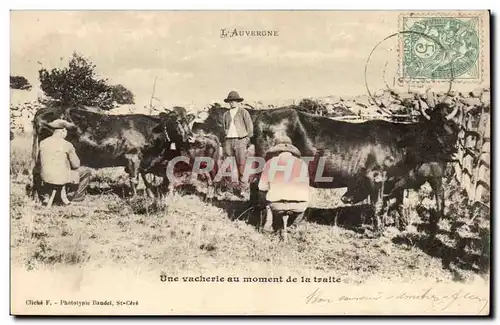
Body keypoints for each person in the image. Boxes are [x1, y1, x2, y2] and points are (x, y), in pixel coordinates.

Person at [257, 134, 311, 242]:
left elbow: (261, 187)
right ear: (291, 151)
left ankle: (269, 223)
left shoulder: (270, 163)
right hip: (298, 207)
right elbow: (306, 188)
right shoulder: (302, 164)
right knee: (305, 201)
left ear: (277, 151)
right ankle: (294, 226)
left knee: (264, 195)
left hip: (276, 206)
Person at [39, 119, 91, 205]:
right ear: (63, 131)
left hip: (45, 177)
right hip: (60, 177)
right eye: (66, 131)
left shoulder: (43, 142)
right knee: (86, 172)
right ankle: (76, 198)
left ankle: (48, 194)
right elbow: (76, 165)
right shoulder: (67, 144)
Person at [222, 90, 254, 192]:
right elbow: (224, 127)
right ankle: (229, 187)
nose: (232, 103)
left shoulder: (243, 112)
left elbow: (250, 127)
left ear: (238, 101)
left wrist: (247, 139)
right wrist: (226, 137)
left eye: (234, 101)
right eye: (230, 101)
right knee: (227, 165)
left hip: (240, 140)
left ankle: (243, 187)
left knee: (241, 164)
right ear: (228, 102)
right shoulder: (226, 114)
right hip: (228, 141)